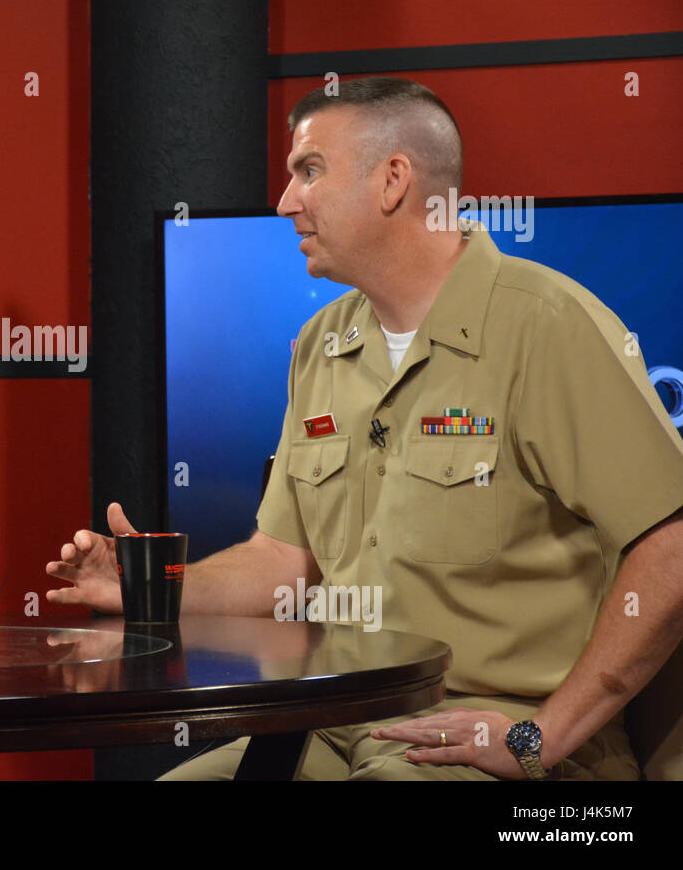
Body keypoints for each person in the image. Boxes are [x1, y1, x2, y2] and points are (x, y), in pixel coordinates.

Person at [47, 77, 683, 780]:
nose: (286, 201)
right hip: (333, 724)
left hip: (492, 737)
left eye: (308, 171)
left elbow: (673, 546)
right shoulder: (322, 342)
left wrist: (538, 738)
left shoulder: (549, 326)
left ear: (393, 181)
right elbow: (282, 562)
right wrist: (148, 588)